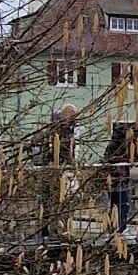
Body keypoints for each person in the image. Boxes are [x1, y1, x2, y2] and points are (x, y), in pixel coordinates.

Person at [36, 103, 77, 241]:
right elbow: (62, 152)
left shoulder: (63, 130)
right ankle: (54, 233)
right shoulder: (61, 131)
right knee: (55, 203)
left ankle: (51, 232)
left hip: (57, 170)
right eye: (72, 114)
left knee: (54, 203)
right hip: (57, 171)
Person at [103, 123, 133, 236]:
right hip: (116, 181)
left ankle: (115, 229)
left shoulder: (120, 145)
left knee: (117, 205)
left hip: (118, 180)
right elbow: (111, 162)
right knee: (122, 204)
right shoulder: (116, 146)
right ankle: (118, 229)